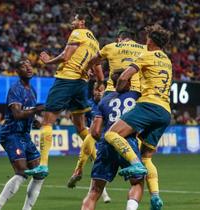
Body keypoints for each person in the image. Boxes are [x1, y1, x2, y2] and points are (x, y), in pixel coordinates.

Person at [103, 24, 172, 209]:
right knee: (147, 156)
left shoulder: (146, 55)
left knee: (111, 134)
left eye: (147, 38)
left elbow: (125, 76)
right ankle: (156, 196)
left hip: (149, 105)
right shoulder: (167, 60)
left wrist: (117, 90)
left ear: (150, 40)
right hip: (165, 112)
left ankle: (135, 164)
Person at [25, 7, 100, 177]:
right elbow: (97, 66)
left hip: (66, 79)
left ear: (82, 22)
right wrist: (99, 82)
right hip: (82, 83)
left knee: (47, 121)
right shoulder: (95, 41)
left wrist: (48, 61)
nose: (72, 22)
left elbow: (66, 57)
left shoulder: (77, 33)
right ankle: (98, 160)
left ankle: (43, 165)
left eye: (75, 19)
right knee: (81, 127)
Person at [68, 27, 145, 188]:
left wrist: (90, 74)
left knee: (95, 132)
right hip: (136, 94)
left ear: (119, 39)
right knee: (131, 133)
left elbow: (93, 61)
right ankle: (137, 164)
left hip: (112, 94)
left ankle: (79, 168)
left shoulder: (111, 47)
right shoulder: (144, 49)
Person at [81, 70, 143, 210]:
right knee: (137, 182)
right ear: (126, 81)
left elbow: (95, 132)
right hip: (128, 143)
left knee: (95, 191)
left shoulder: (104, 100)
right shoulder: (137, 96)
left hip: (106, 145)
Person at [0, 59, 45, 210]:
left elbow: (27, 112)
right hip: (11, 133)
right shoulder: (16, 89)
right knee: (22, 172)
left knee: (40, 173)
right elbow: (16, 114)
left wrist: (34, 120)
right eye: (23, 66)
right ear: (17, 72)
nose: (28, 67)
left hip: (24, 135)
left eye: (29, 64)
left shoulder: (32, 90)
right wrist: (36, 111)